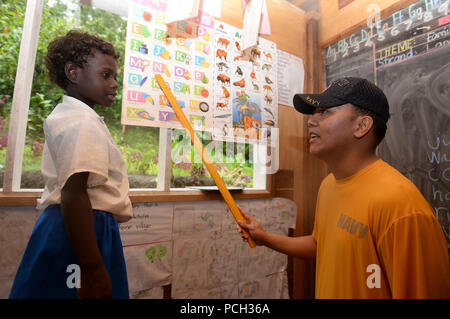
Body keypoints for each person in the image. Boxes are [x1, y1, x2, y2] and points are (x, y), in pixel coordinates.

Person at [238, 77, 450, 298]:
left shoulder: (401, 206)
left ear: (361, 126)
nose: (311, 121)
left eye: (325, 112)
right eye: (314, 112)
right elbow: (322, 245)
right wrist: (265, 238)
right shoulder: (329, 185)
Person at [9, 30, 132, 299]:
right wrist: (92, 267)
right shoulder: (81, 121)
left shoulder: (74, 116)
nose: (114, 84)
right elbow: (74, 192)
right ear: (73, 73)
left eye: (115, 77)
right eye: (105, 74)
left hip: (77, 227)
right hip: (82, 229)